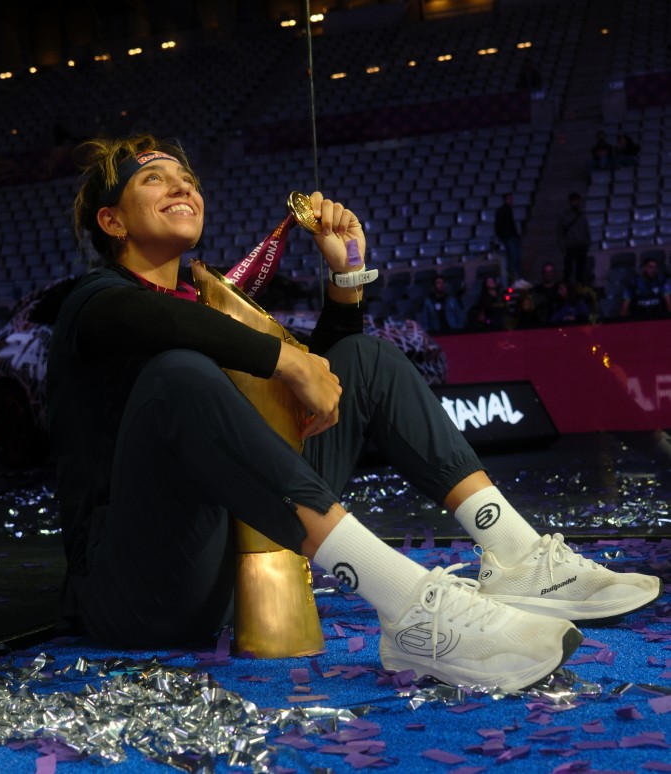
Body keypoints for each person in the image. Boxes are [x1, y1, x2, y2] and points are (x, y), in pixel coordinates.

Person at [46, 134, 660, 694]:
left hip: (230, 563)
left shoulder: (205, 304)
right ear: (112, 220)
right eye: (155, 179)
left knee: (364, 359)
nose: (183, 185)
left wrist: (344, 279)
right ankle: (407, 602)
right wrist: (284, 361)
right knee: (176, 375)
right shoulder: (92, 304)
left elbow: (314, 394)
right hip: (135, 591)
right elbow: (159, 325)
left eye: (188, 177)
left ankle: (516, 554)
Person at [556, 193, 592, 287]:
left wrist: (586, 244)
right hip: (570, 248)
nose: (576, 203)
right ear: (570, 202)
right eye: (574, 201)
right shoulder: (564, 216)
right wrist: (563, 248)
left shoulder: (582, 217)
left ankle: (581, 291)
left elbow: (587, 232)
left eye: (577, 200)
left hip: (581, 247)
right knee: (568, 271)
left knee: (580, 272)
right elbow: (559, 234)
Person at [494, 193, 522, 283]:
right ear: (505, 200)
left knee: (516, 259)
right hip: (509, 238)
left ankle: (516, 278)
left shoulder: (508, 210)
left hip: (512, 237)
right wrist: (503, 237)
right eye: (509, 199)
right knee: (513, 259)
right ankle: (514, 279)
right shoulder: (502, 211)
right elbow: (497, 226)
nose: (511, 201)